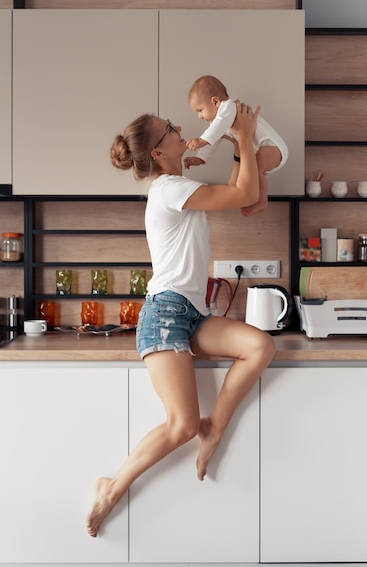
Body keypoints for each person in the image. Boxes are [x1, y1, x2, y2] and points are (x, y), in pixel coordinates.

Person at [86, 102, 276, 538]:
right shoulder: (169, 189)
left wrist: (236, 144)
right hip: (165, 314)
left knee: (260, 346)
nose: (179, 128)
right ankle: (110, 488)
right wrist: (243, 136)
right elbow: (245, 194)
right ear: (158, 151)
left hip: (191, 313)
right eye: (170, 128)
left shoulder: (181, 184)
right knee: (181, 425)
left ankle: (216, 428)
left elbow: (238, 188)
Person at [184, 75, 288, 216]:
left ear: (215, 102)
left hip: (273, 147)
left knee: (257, 169)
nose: (199, 116)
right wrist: (201, 158)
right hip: (264, 148)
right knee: (255, 170)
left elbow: (214, 131)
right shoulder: (220, 122)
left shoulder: (229, 107)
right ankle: (254, 200)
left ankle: (262, 202)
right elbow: (214, 138)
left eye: (200, 110)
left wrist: (201, 141)